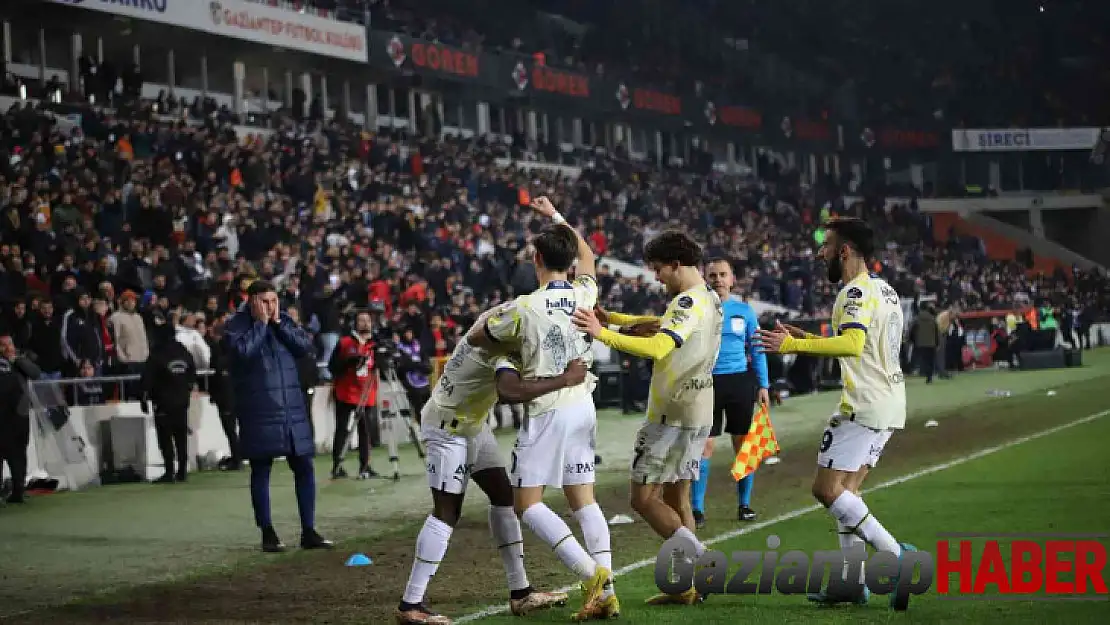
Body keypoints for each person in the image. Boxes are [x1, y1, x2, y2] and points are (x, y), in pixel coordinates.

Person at [755, 217, 916, 608]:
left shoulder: (854, 293)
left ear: (844, 251)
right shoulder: (884, 289)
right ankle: (850, 583)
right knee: (848, 494)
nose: (820, 252)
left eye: (826, 245)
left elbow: (853, 344)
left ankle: (897, 560)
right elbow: (861, 344)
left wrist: (795, 348)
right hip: (891, 403)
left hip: (864, 404)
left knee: (825, 490)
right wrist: (806, 338)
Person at [469, 197, 618, 620]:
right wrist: (555, 216)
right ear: (568, 261)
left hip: (549, 408)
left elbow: (480, 337)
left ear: (535, 258)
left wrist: (508, 343)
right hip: (583, 406)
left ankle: (593, 578)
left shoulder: (523, 307)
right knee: (583, 499)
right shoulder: (584, 292)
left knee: (527, 504)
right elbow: (588, 254)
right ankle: (607, 585)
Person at [395, 306, 586, 625]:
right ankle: (410, 604)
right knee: (446, 511)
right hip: (448, 427)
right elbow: (509, 391)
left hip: (472, 424)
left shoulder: (501, 319)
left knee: (504, 498)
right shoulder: (500, 347)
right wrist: (565, 379)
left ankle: (520, 591)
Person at [572, 230, 722, 609]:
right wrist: (616, 319)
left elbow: (658, 345)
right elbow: (660, 322)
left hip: (671, 413)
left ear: (676, 264)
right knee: (677, 496)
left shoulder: (687, 302)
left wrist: (602, 333)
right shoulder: (709, 298)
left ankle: (702, 562)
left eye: (659, 269)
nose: (657, 277)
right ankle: (688, 586)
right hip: (699, 410)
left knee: (642, 499)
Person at [223, 281, 333, 553]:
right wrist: (261, 325)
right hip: (258, 408)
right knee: (262, 469)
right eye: (265, 301)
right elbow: (242, 353)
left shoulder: (283, 322)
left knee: (304, 466)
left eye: (274, 301)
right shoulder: (236, 325)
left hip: (292, 408)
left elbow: (304, 347)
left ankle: (309, 530)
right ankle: (267, 532)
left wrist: (277, 324)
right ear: (252, 302)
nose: (271, 307)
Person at [690, 257, 769, 527]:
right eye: (712, 275)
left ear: (732, 279)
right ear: (705, 279)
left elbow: (757, 349)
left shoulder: (744, 311)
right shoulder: (697, 310)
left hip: (739, 383)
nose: (718, 280)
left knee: (743, 445)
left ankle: (744, 504)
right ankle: (697, 509)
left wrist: (764, 385)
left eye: (723, 274)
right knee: (704, 445)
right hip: (708, 383)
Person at [139, 311, 198, 483]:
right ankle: (182, 471)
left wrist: (143, 397)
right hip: (181, 402)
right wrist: (187, 387)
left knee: (165, 438)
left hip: (163, 403)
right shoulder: (183, 351)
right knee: (181, 436)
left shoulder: (157, 353)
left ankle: (169, 472)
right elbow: (192, 372)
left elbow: (148, 378)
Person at [329, 311, 379, 479]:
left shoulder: (375, 345)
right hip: (345, 392)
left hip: (366, 393)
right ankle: (337, 465)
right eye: (361, 320)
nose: (365, 323)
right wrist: (348, 362)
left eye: (368, 320)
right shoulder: (344, 343)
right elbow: (332, 367)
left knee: (365, 431)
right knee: (342, 429)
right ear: (355, 324)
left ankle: (365, 466)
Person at [0, 335, 42, 504]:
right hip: (2, 416)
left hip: (19, 415)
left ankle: (18, 490)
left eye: (10, 344)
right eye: (3, 345)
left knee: (18, 454)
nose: (7, 347)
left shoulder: (20, 362)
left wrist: (16, 360)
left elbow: (36, 373)